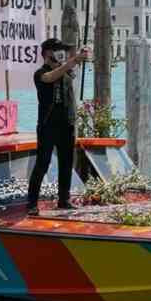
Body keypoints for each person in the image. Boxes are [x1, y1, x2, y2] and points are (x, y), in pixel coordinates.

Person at [26, 38, 90, 216]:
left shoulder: (68, 72)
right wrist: (73, 61)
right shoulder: (40, 73)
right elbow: (51, 77)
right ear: (48, 53)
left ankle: (64, 200)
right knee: (42, 163)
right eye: (57, 50)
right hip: (48, 125)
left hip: (67, 124)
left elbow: (68, 71)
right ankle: (31, 203)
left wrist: (81, 56)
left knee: (66, 163)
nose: (61, 53)